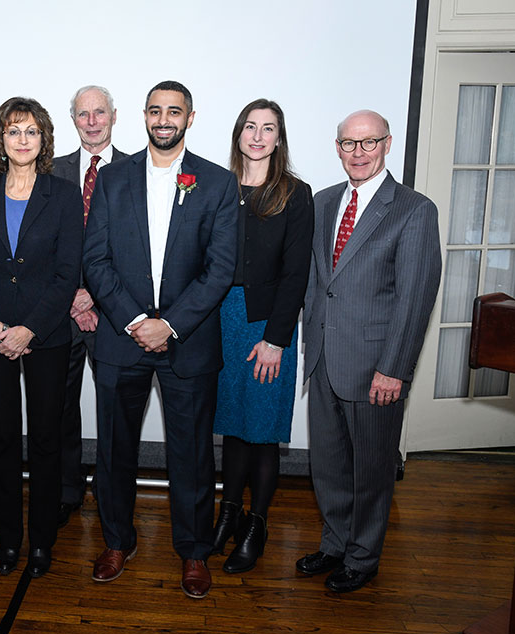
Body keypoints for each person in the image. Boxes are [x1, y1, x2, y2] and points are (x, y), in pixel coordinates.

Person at [82, 81, 238, 599]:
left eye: (174, 111)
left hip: (187, 342)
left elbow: (220, 271)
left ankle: (194, 553)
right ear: (143, 117)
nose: (164, 119)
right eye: (155, 110)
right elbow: (96, 261)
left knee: (191, 455)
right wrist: (133, 320)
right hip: (121, 339)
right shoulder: (112, 179)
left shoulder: (216, 183)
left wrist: (168, 324)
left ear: (190, 118)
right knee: (114, 451)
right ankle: (116, 542)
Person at [297, 110, 441, 593]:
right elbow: (319, 284)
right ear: (337, 148)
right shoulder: (322, 203)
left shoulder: (413, 210)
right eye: (348, 144)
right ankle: (335, 543)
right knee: (330, 465)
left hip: (376, 368)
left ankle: (363, 557)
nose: (358, 153)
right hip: (323, 359)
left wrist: (394, 369)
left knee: (372, 469)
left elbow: (415, 296)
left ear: (387, 144)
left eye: (368, 143)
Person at [0, 97, 83, 578]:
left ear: (43, 139)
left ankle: (42, 541)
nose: (23, 140)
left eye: (31, 131)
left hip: (46, 336)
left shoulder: (63, 195)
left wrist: (29, 328)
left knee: (47, 441)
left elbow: (67, 273)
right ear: (1, 141)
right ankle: (10, 538)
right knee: (3, 440)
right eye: (14, 131)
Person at [211, 99, 314, 574]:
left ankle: (256, 524)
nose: (257, 136)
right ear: (238, 134)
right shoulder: (217, 187)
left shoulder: (295, 193)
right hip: (220, 319)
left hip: (267, 324)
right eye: (250, 127)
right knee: (232, 424)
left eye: (267, 128)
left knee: (262, 430)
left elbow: (296, 274)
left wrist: (275, 339)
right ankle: (227, 514)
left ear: (279, 137)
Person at [51, 85, 128, 528]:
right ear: (74, 119)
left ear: (114, 116)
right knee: (60, 405)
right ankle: (66, 489)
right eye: (84, 114)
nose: (92, 121)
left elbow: (136, 249)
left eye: (100, 112)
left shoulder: (136, 170)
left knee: (115, 407)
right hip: (61, 311)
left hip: (113, 311)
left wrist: (95, 295)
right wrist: (71, 297)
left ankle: (111, 488)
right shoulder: (54, 171)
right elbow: (45, 243)